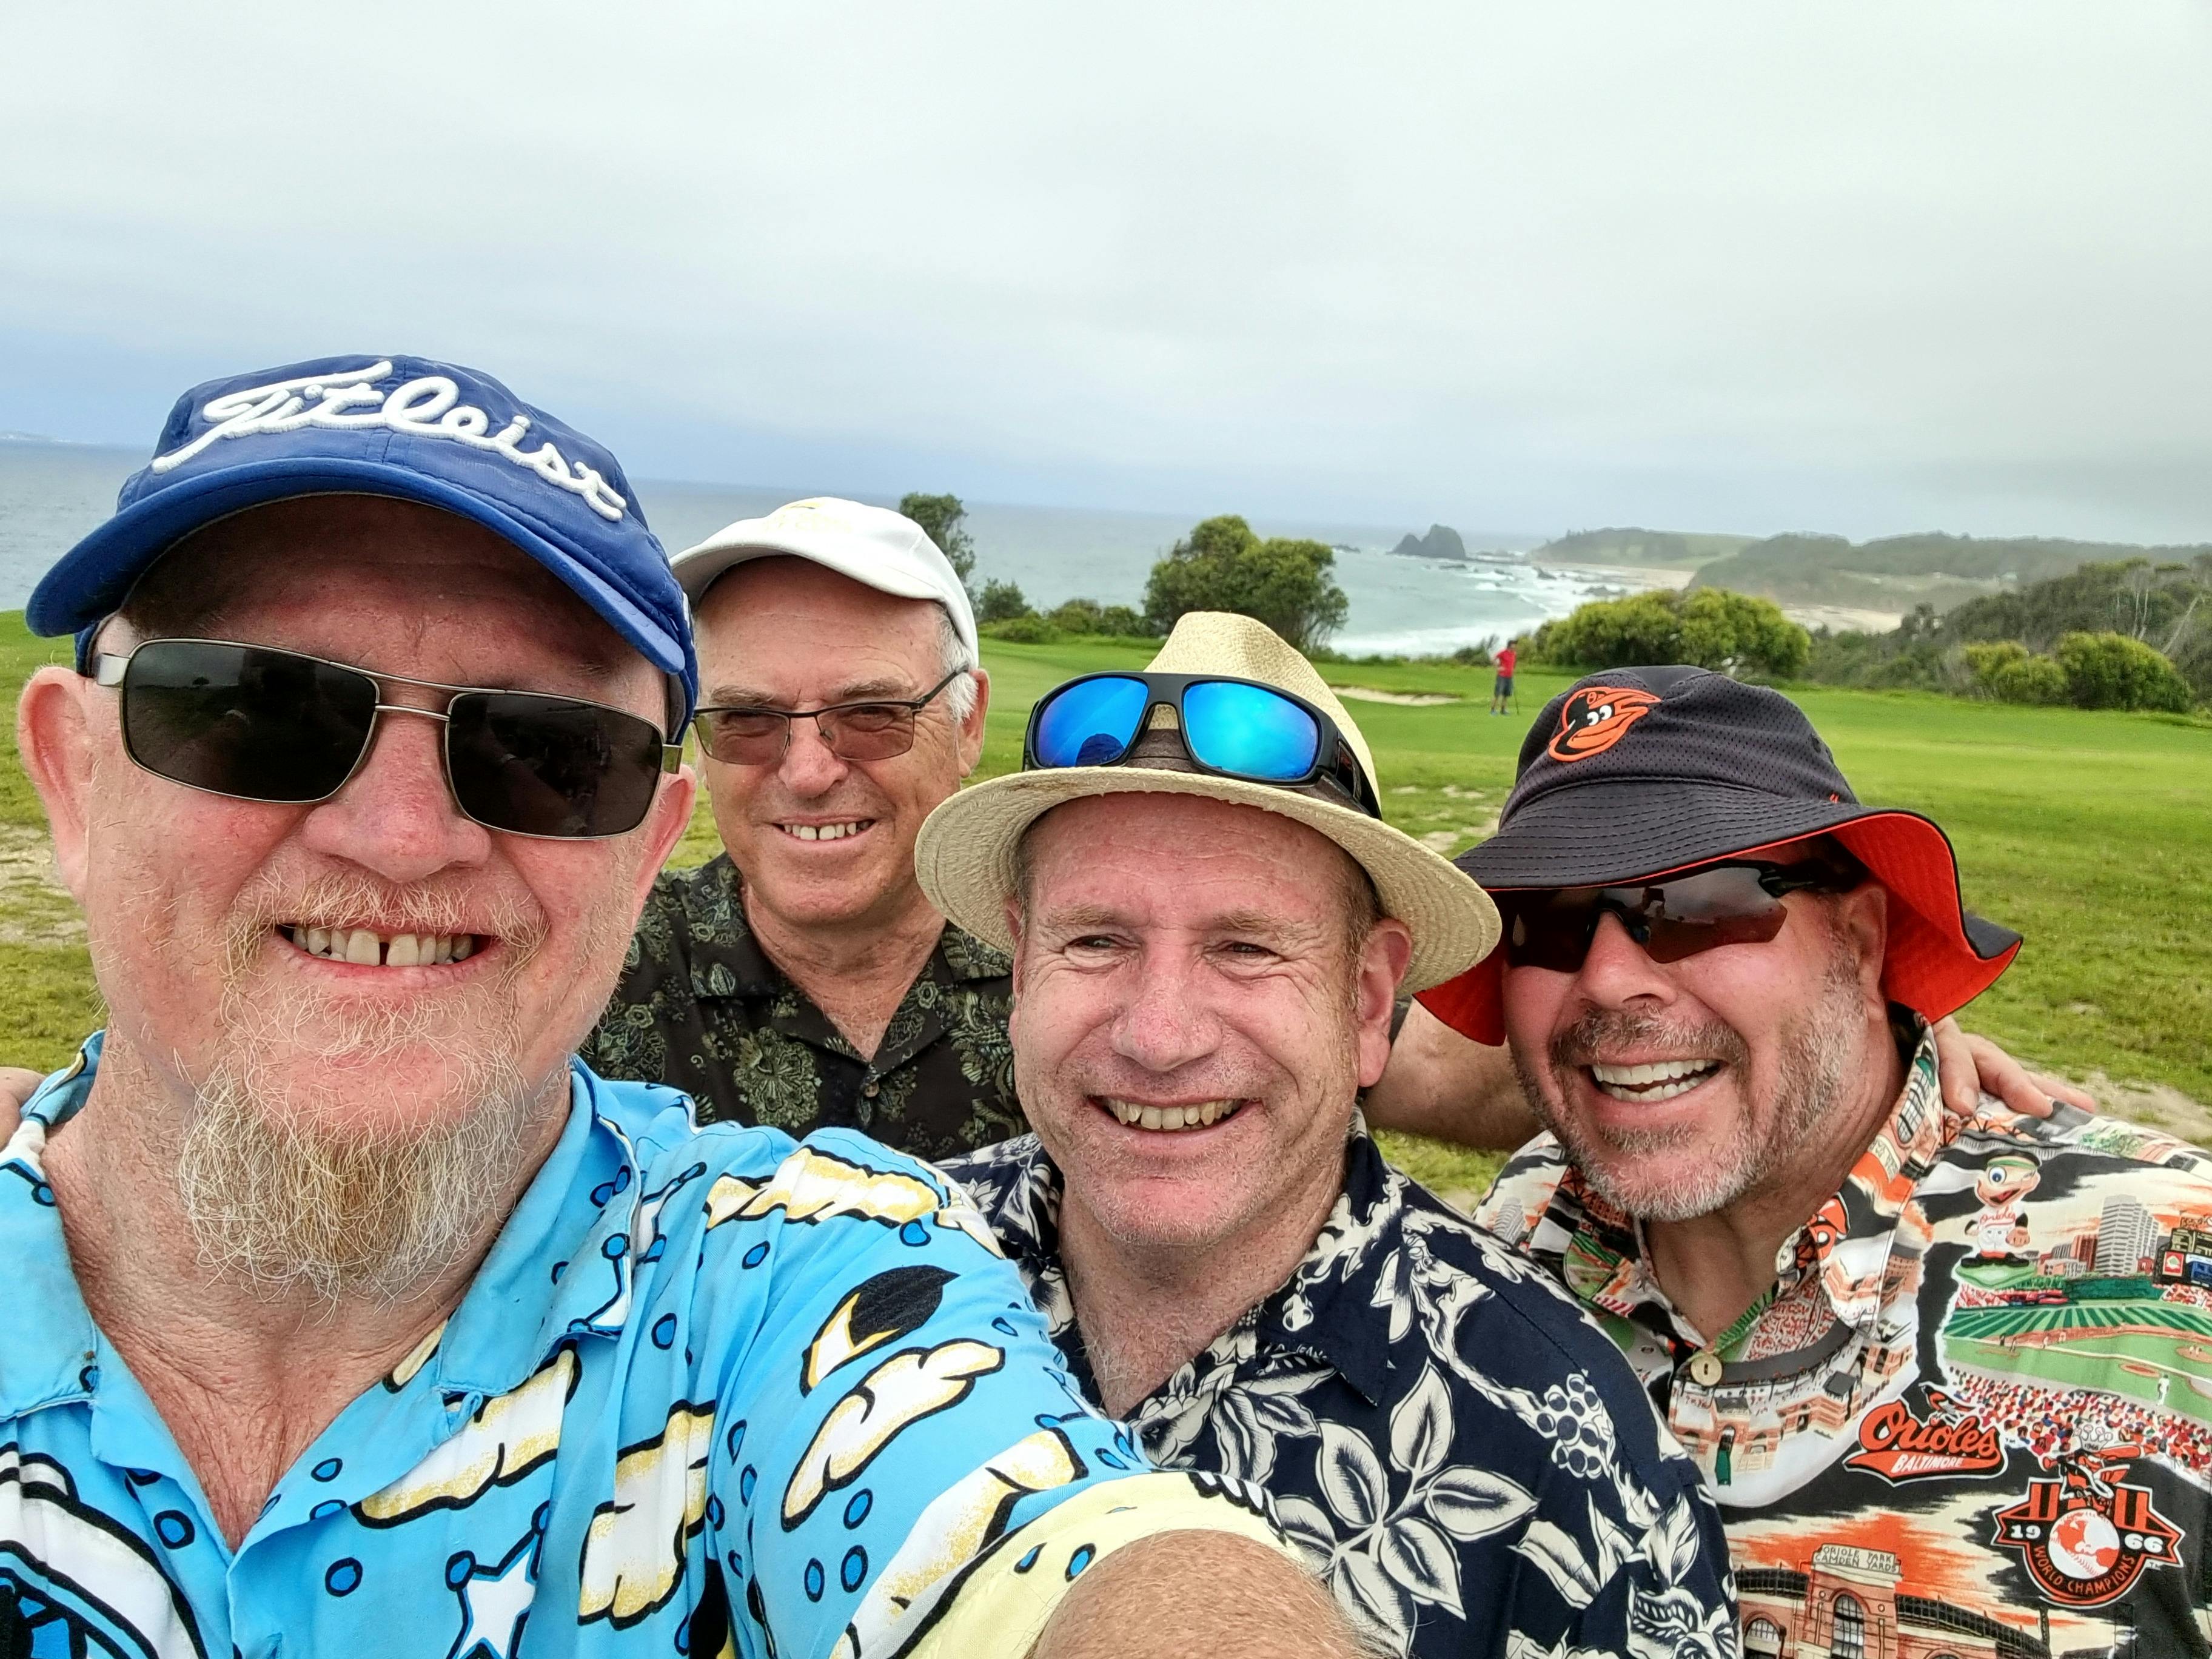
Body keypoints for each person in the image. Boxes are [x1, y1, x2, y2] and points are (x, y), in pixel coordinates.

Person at [0, 355, 1362, 1659]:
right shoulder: (649, 978)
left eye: (544, 751)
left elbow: (1055, 1547)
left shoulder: (795, 1259)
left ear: (645, 844)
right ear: (73, 779)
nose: (404, 835)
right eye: (260, 710)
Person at [916, 614, 1741, 1658]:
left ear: (1364, 1002)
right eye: (1095, 940)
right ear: (1021, 968)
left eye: (1245, 947)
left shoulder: (1563, 1447)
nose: (1158, 1036)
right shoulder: (872, 1275)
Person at [1418, 664, 2212, 1655]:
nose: (1606, 978)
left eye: (1697, 901)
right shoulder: (1515, 1236)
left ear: (1861, 936)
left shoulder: (2177, 1285)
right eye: (1546, 920)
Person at [577, 498, 1024, 1162]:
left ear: (967, 725)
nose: (810, 773)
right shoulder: (586, 973)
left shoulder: (1072, 965)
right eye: (746, 720)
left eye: (873, 713)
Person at [1488, 638, 1517, 715]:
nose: (1515, 646)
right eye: (1514, 645)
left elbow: (1512, 664)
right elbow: (1493, 659)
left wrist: (1513, 670)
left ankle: (1503, 710)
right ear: (1510, 645)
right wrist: (1498, 668)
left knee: (1506, 694)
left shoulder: (1514, 653)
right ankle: (1493, 710)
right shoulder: (1503, 653)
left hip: (1509, 676)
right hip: (1502, 676)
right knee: (1498, 693)